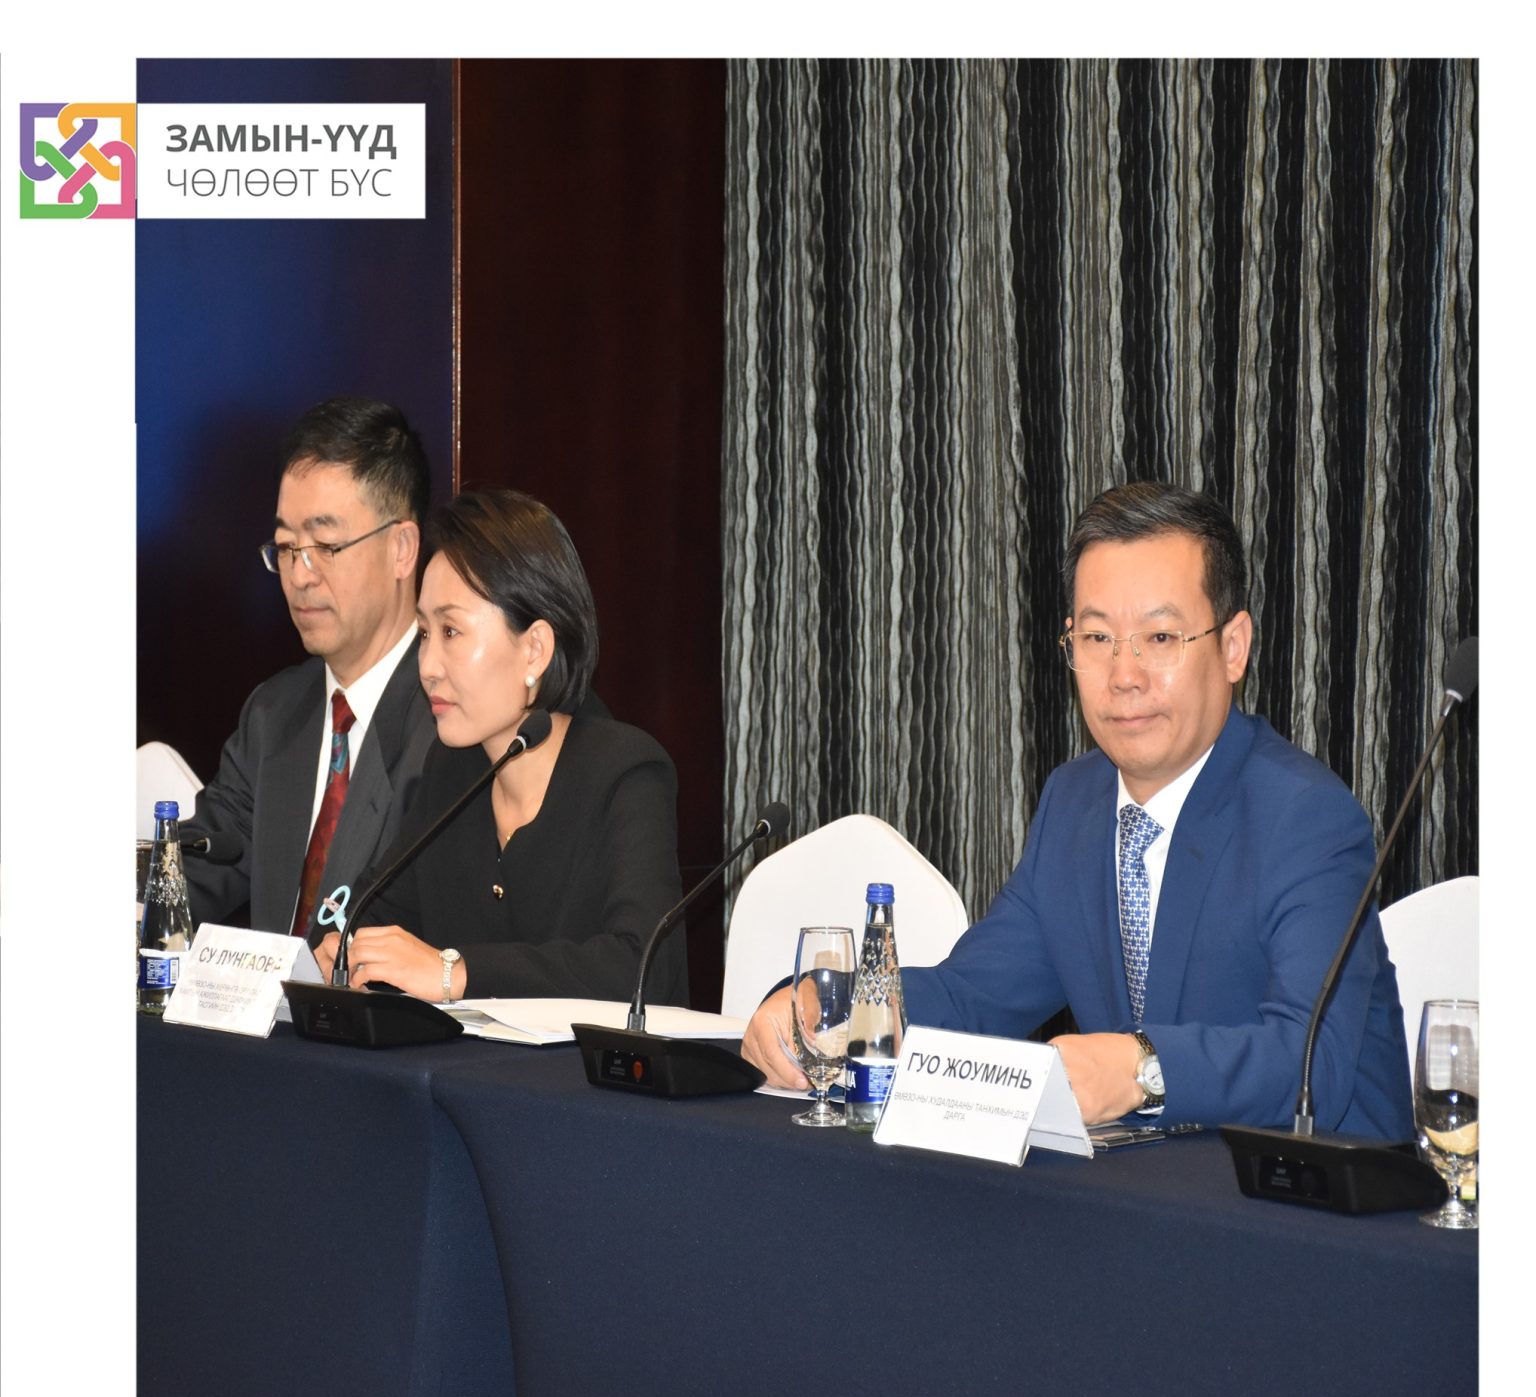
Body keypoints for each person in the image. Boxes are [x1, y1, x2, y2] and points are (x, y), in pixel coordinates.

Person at [743, 482, 1414, 1138]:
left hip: (1316, 1195)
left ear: (1233, 647)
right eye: (1097, 639)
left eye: (1160, 638)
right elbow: (974, 994)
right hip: (1146, 1186)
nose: (1124, 675)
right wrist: (834, 1002)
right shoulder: (1075, 803)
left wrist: (1141, 1070)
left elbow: (1311, 1063)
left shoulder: (1306, 817)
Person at [315, 488, 687, 1004]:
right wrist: (345, 945)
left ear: (534, 649)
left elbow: (641, 967)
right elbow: (371, 913)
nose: (428, 666)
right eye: (423, 634)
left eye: (451, 631)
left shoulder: (625, 773)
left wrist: (457, 973)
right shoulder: (452, 770)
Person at [182, 397, 436, 940]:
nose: (299, 575)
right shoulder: (274, 714)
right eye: (285, 547)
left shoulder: (451, 720)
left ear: (401, 548)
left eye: (325, 545)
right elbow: (195, 869)